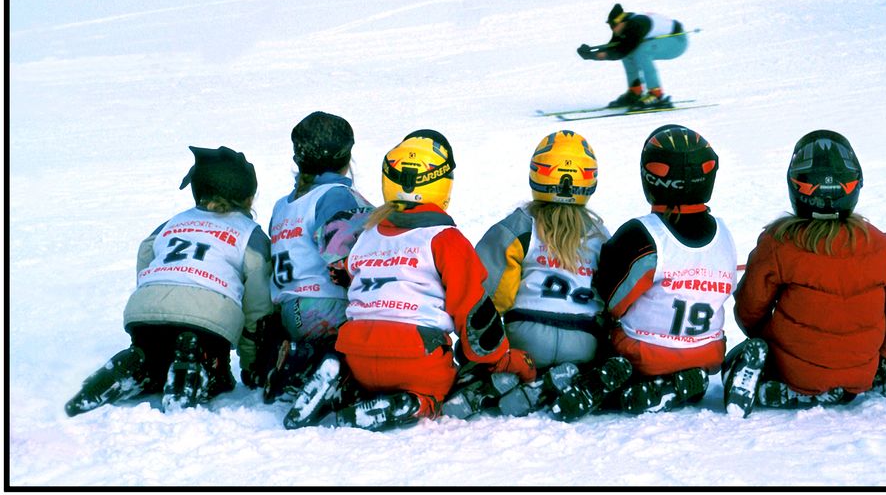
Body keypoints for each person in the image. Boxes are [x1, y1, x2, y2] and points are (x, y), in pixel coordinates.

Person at [284, 129, 536, 431]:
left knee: (368, 370)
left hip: (357, 352)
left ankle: (342, 386)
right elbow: (473, 314)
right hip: (416, 356)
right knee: (441, 389)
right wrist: (500, 359)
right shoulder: (446, 240)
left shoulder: (366, 235)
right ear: (442, 184)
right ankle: (414, 402)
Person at [65, 146, 273, 415]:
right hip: (208, 319)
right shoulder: (249, 235)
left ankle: (139, 362)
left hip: (145, 311)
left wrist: (153, 293)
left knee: (154, 358)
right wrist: (251, 362)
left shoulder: (173, 222)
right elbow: (258, 305)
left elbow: (145, 252)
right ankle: (198, 364)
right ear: (248, 198)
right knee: (219, 375)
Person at [725, 130, 886, 417]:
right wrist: (885, 355)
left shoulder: (780, 242)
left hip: (795, 367)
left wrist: (765, 340)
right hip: (861, 370)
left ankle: (773, 386)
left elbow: (750, 307)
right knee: (848, 365)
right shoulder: (879, 243)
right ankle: (844, 389)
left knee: (737, 357)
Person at [551, 124, 736, 422]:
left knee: (602, 331)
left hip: (646, 352)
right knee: (689, 368)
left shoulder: (643, 234)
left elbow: (613, 301)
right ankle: (683, 386)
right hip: (707, 351)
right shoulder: (725, 234)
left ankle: (608, 384)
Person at [443, 130, 615, 419]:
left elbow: (492, 294)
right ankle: (564, 380)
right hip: (583, 341)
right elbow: (610, 296)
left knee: (476, 349)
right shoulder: (600, 235)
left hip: (526, 338)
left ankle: (490, 381)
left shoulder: (520, 226)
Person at [254, 111, 373, 407]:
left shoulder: (284, 205)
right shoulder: (335, 195)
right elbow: (339, 251)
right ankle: (326, 364)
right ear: (347, 157)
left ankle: (296, 357)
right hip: (326, 307)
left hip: (289, 310)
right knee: (379, 330)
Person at [576, 3, 689, 109]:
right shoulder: (623, 26)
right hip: (667, 39)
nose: (613, 29)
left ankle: (656, 94)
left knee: (641, 52)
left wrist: (595, 56)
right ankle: (635, 91)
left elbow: (621, 50)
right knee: (630, 52)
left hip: (678, 41)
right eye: (611, 26)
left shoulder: (637, 25)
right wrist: (591, 52)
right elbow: (615, 47)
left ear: (622, 21)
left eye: (614, 25)